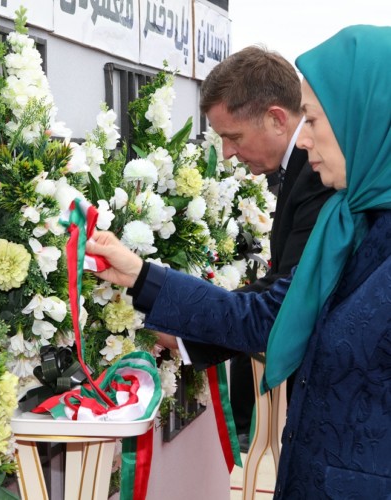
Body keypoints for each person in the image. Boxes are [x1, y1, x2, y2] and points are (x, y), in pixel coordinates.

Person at [87, 25, 391, 498]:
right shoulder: (351, 217)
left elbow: (274, 318)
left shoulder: (343, 210)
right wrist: (139, 276)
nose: (304, 139)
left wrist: (145, 278)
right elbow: (286, 305)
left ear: (364, 119)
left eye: (311, 120)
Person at [168, 45, 335, 452]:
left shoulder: (320, 175)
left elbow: (289, 298)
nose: (227, 151)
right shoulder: (300, 171)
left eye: (233, 136)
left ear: (276, 118)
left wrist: (187, 324)